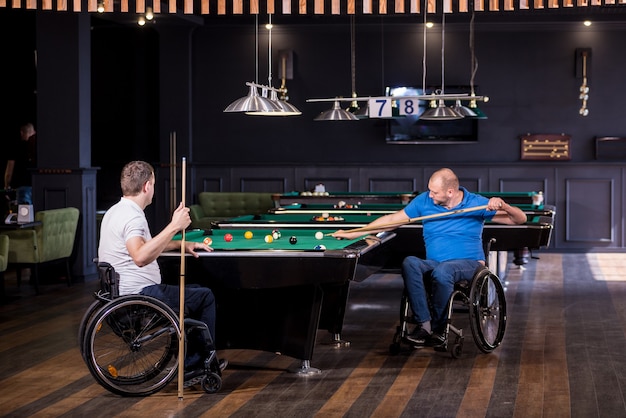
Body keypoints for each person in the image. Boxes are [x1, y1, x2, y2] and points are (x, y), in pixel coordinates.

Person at [332, 168, 526, 346]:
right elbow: (392, 220)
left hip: (470, 264)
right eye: (430, 191)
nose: (430, 195)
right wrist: (354, 233)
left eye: (435, 192)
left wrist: (504, 205)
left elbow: (519, 219)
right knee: (410, 263)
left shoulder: (477, 203)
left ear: (450, 192)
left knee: (444, 270)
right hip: (435, 263)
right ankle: (424, 326)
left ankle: (440, 328)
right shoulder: (424, 201)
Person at [98, 160, 226, 372]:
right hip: (140, 296)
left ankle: (191, 359)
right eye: (154, 184)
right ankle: (195, 366)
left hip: (122, 293)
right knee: (205, 297)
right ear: (147, 186)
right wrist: (175, 226)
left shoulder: (116, 210)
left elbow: (145, 245)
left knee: (193, 291)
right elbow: (140, 255)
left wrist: (181, 244)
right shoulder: (132, 217)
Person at [4, 122, 37, 205]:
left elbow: (9, 172)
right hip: (39, 186)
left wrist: (7, 187)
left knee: (24, 216)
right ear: (33, 132)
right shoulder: (38, 147)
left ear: (21, 133)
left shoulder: (16, 147)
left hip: (23, 187)